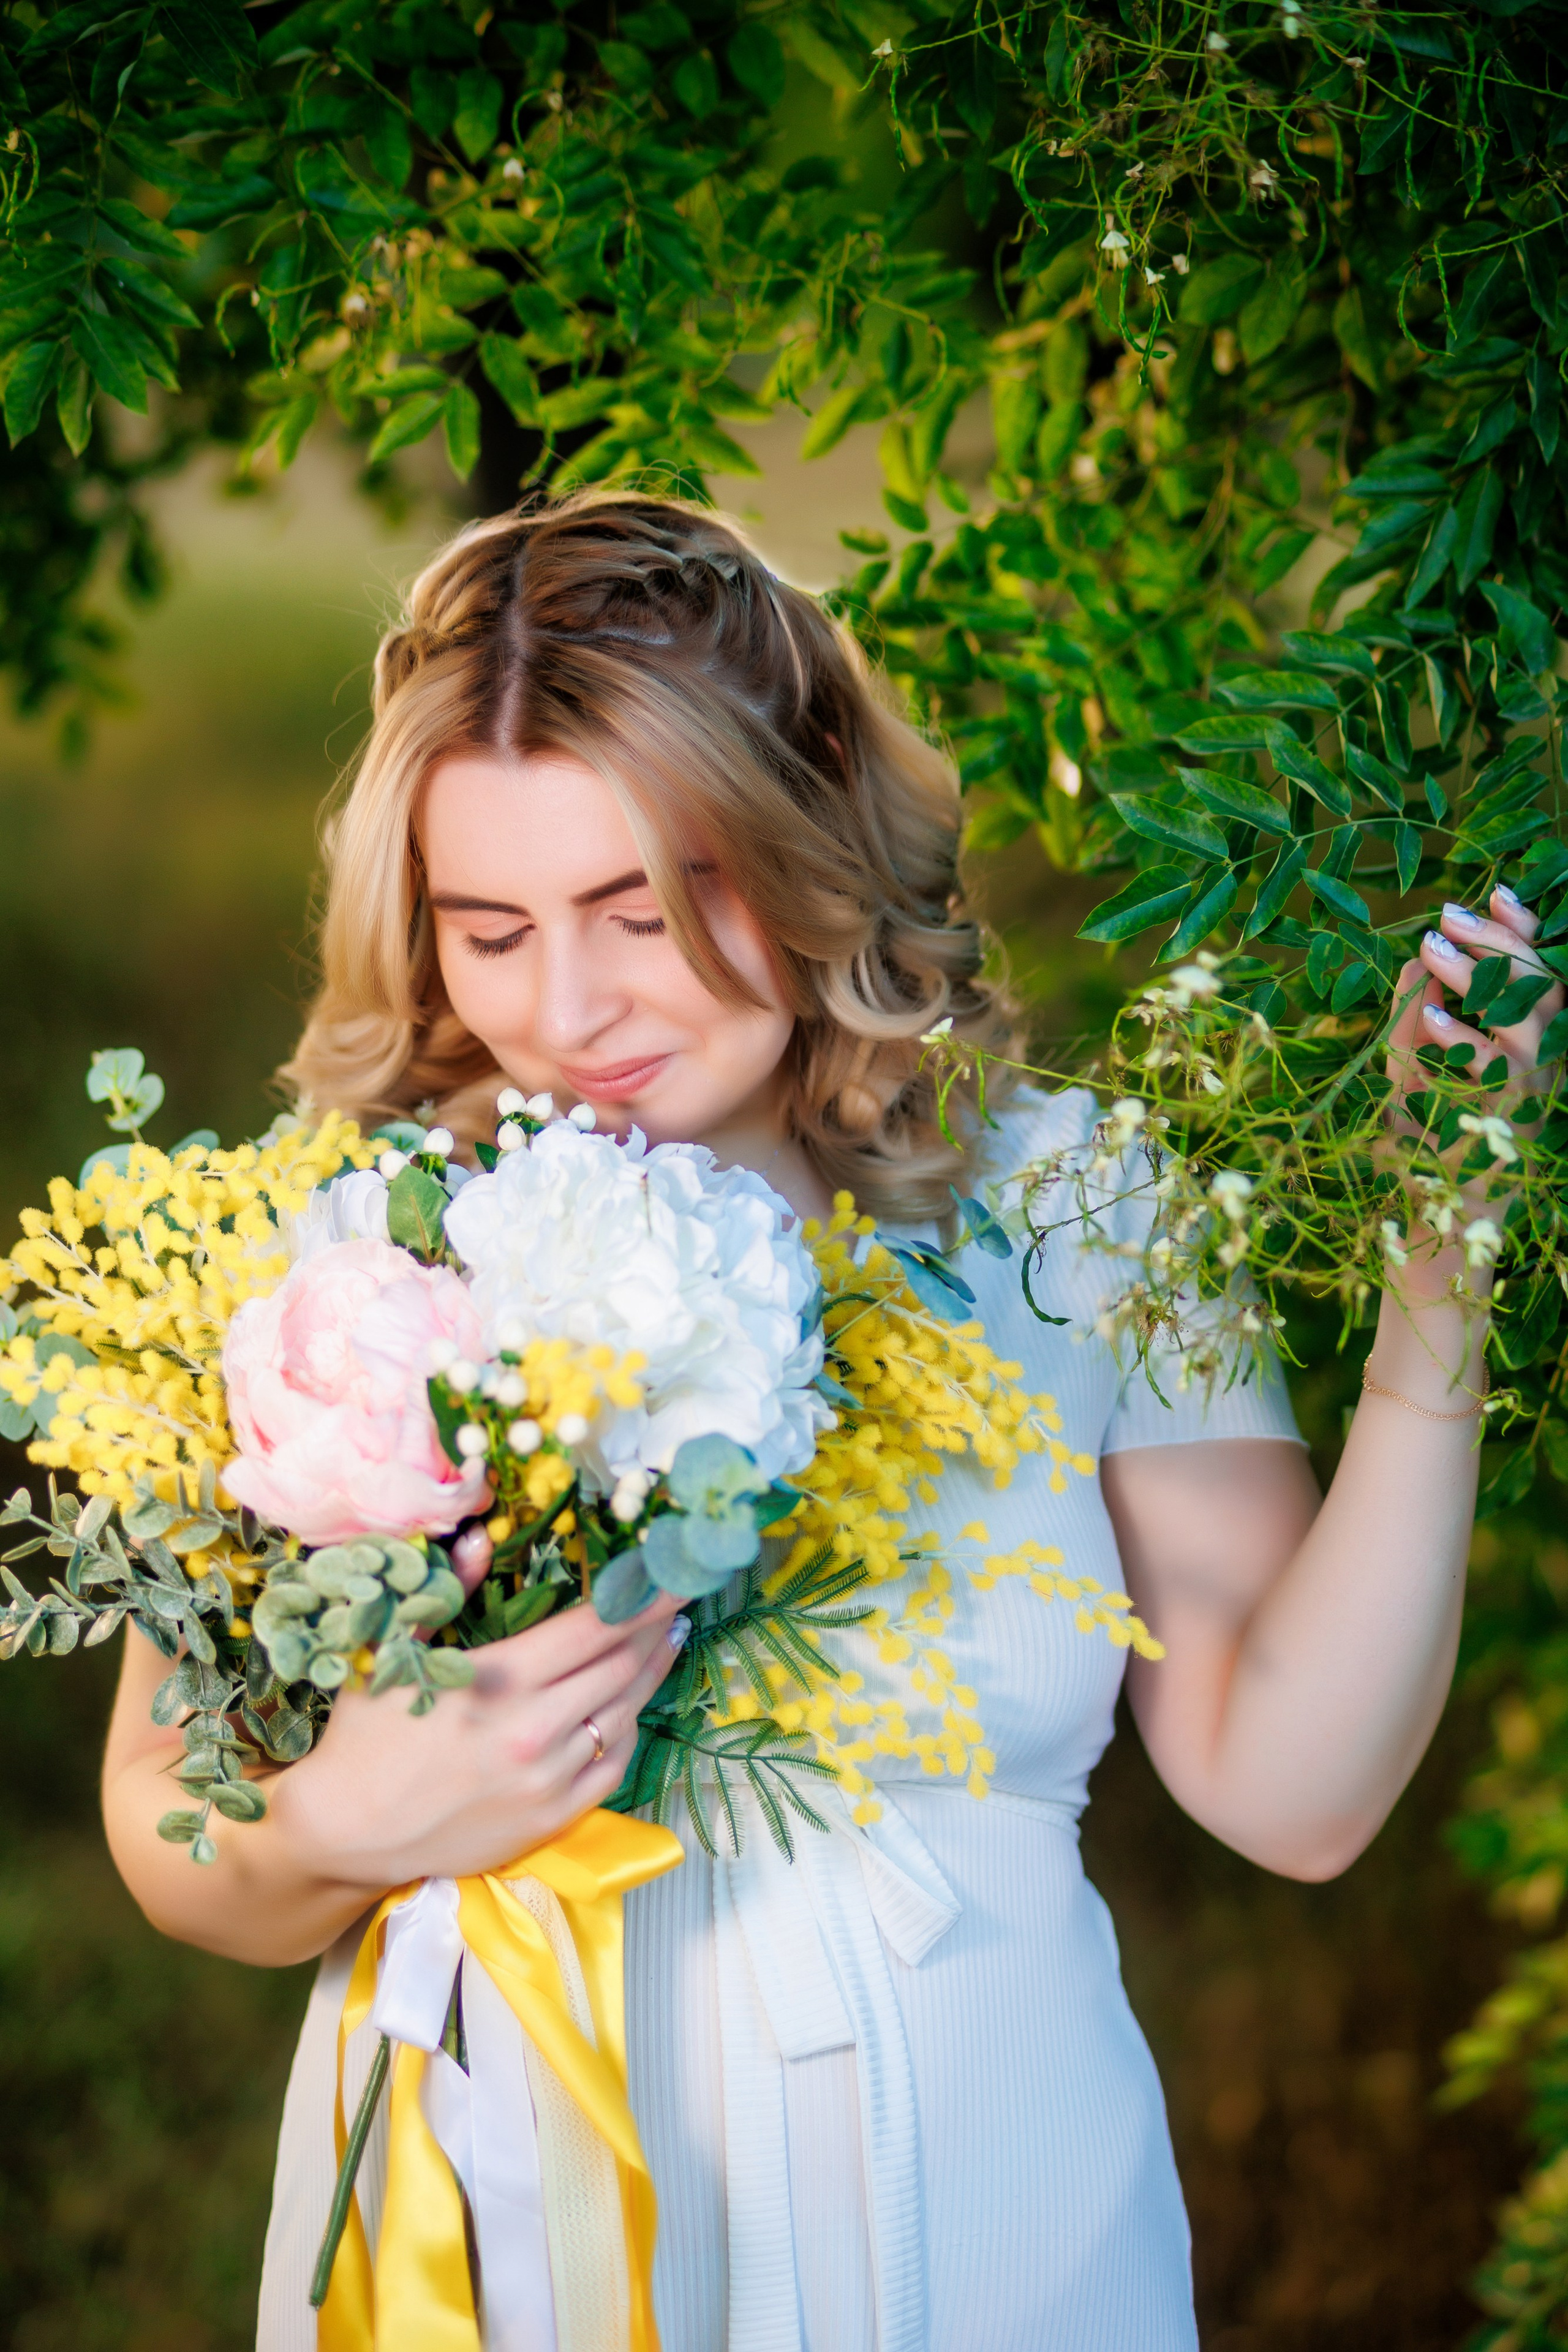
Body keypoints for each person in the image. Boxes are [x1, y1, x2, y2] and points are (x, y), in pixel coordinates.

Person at [102, 492, 1560, 2352]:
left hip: (997, 2234)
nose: (571, 1007)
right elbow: (167, 1827)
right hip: (510, 2244)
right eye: (493, 929)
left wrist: (1444, 1249)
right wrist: (337, 1822)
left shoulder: (1076, 1207)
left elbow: (1298, 1792)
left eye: (646, 908)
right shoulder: (354, 1262)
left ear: (808, 836)